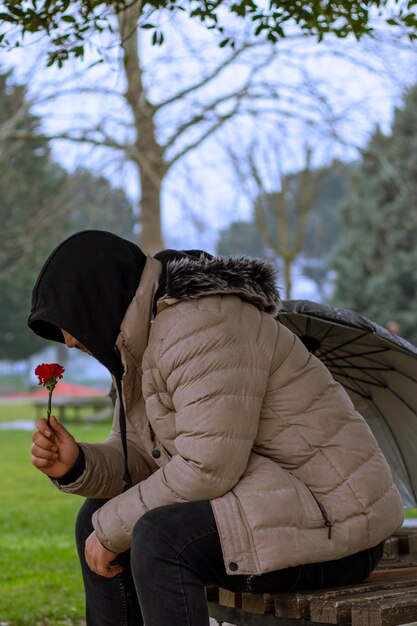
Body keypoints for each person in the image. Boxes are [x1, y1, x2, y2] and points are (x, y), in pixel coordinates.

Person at [28, 230, 403, 626]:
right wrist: (78, 464)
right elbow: (142, 456)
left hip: (336, 518)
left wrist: (110, 531)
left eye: (68, 323)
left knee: (160, 538)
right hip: (270, 497)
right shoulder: (142, 343)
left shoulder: (201, 326)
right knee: (97, 515)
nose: (68, 341)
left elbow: (206, 468)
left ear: (98, 300)